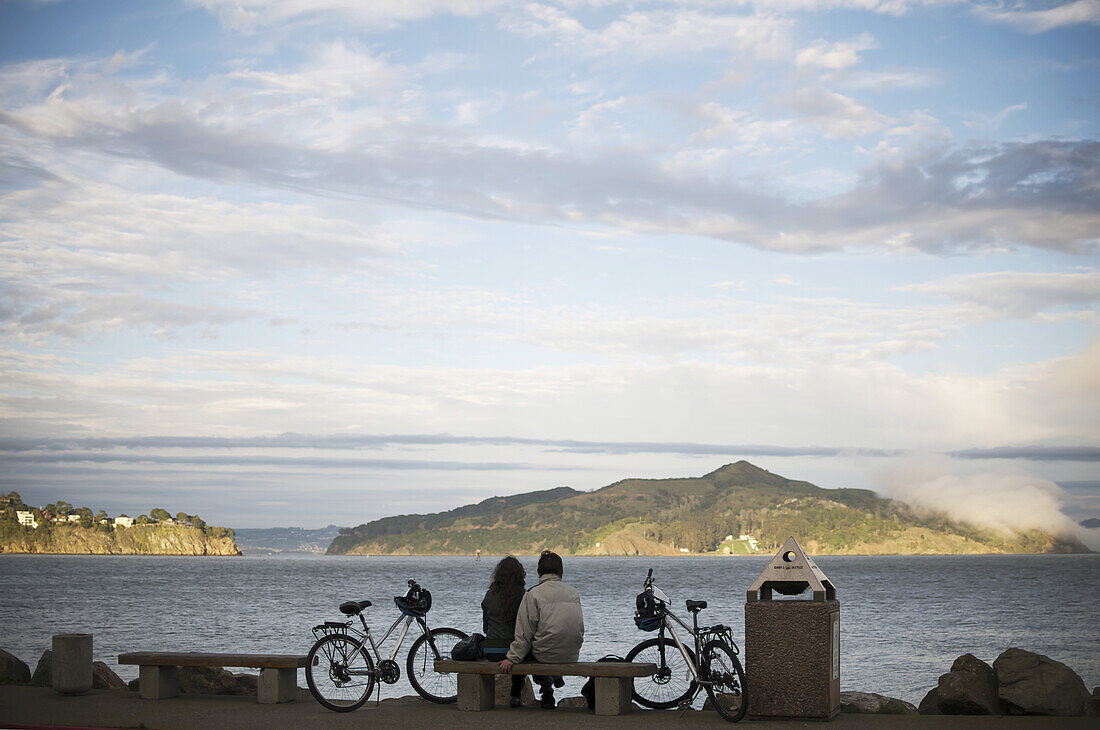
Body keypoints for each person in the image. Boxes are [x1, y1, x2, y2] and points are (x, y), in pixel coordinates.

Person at [499, 550, 584, 709]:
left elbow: (524, 633)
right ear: (560, 571)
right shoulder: (573, 592)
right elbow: (579, 627)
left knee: (532, 649)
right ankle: (552, 682)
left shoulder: (533, 593)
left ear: (539, 571)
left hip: (546, 653)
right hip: (571, 654)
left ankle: (544, 692)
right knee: (544, 642)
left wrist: (512, 658)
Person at [481, 555, 527, 707]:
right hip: (513, 650)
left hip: (490, 649)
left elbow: (485, 627)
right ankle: (515, 695)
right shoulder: (523, 596)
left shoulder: (489, 595)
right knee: (523, 653)